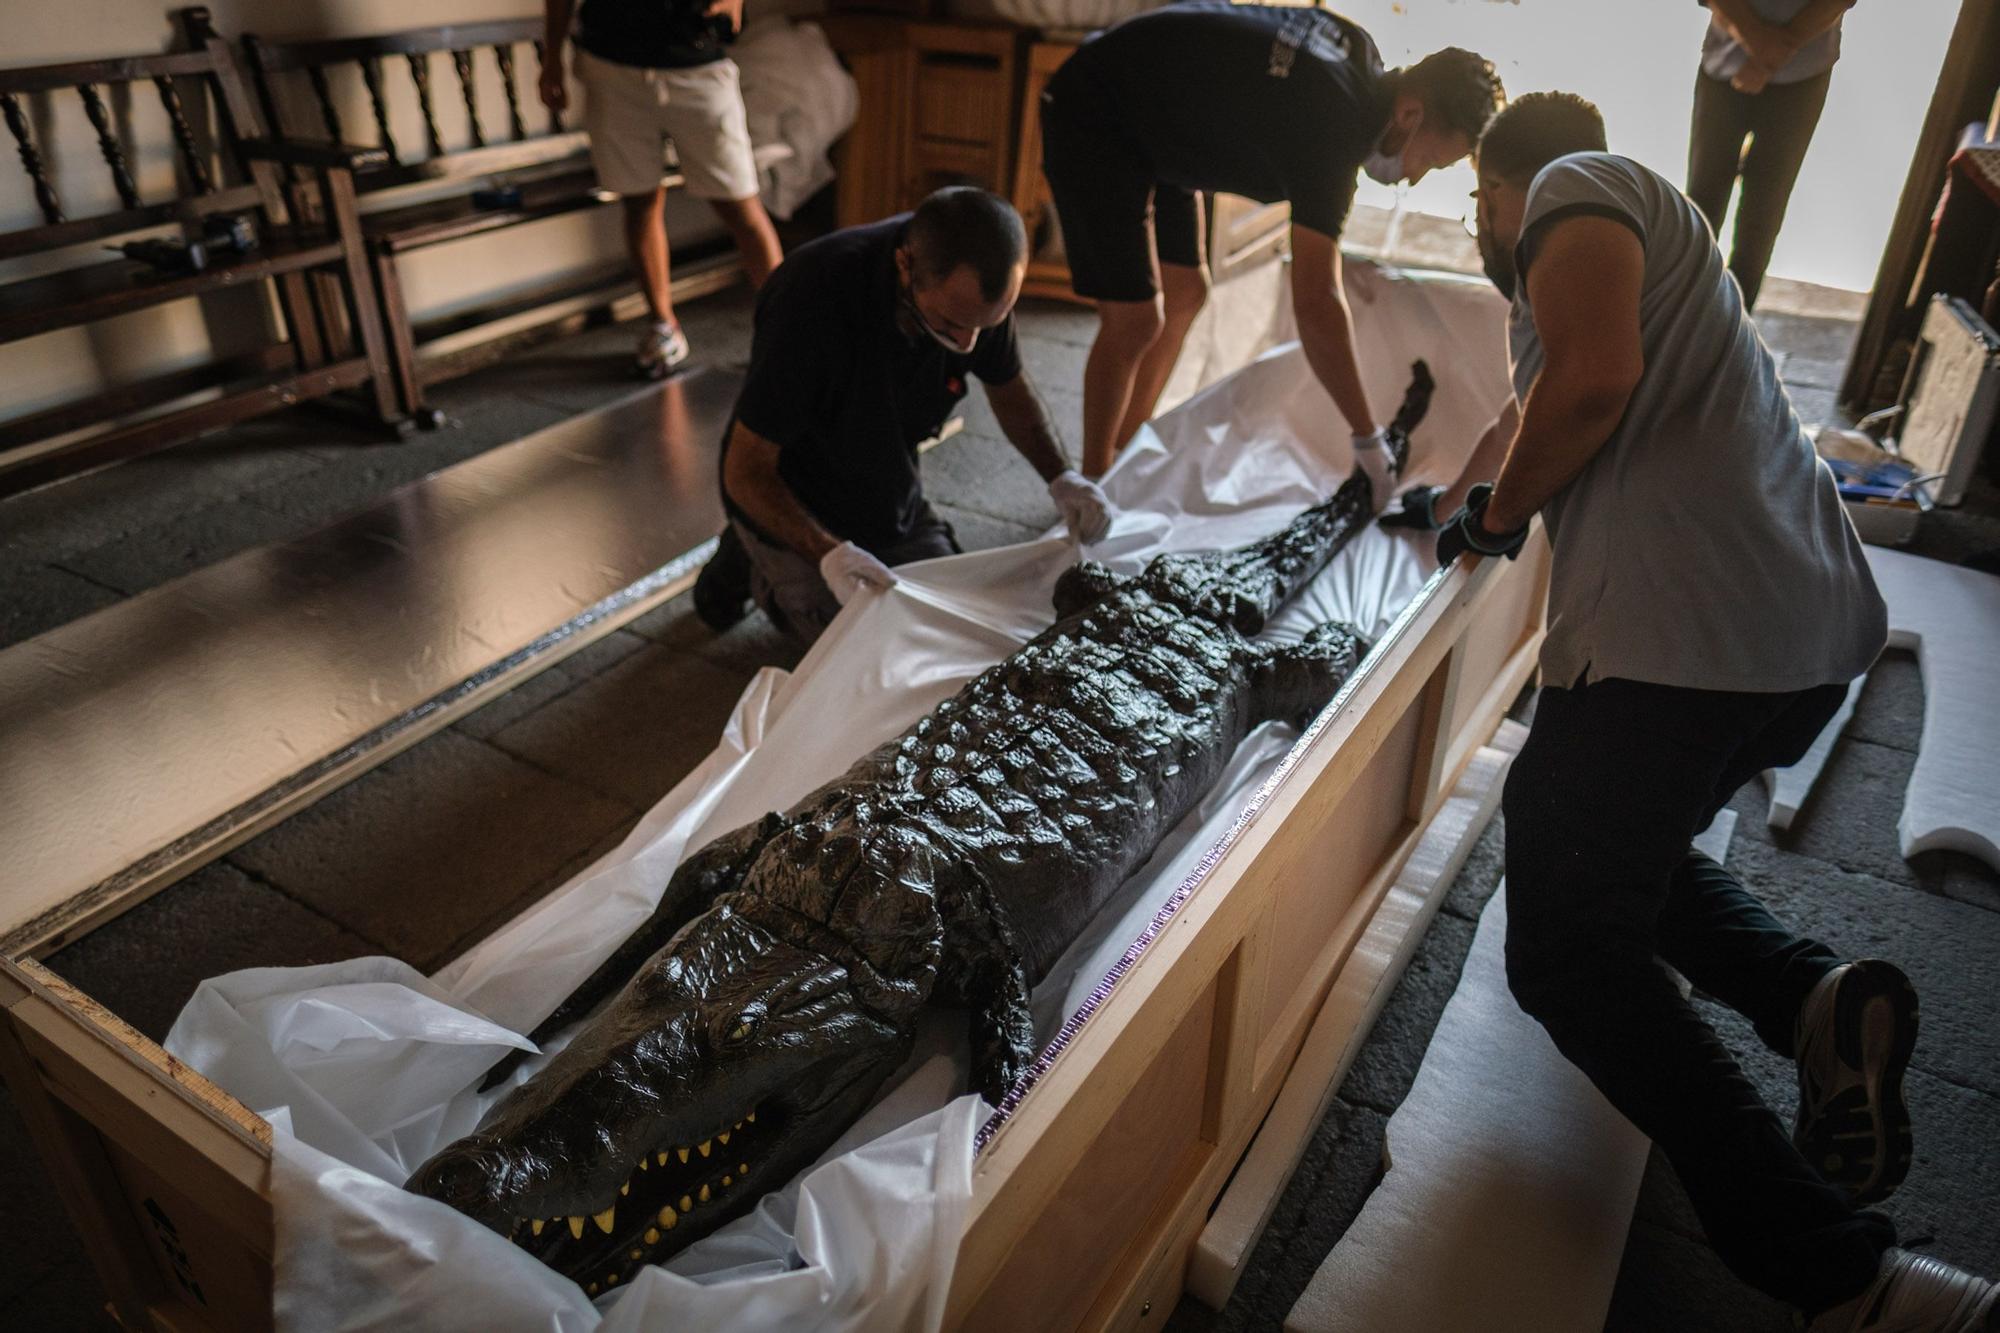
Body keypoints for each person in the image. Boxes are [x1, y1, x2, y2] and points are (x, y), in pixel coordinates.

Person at [1432, 90, 1996, 1332]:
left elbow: (1585, 393)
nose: (1479, 229)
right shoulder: (1651, 261)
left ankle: (1851, 1277)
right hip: (1794, 644)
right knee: (1604, 852)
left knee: (1567, 952)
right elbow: (1525, 412)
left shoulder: (1577, 181)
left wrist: (1492, 517)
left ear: (1498, 181)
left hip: (1678, 648)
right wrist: (1452, 498)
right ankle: (1813, 998)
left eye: (1476, 204)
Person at [1037, 2, 1503, 481]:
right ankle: (1090, 487)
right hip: (1096, 110)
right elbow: (1317, 303)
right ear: (1410, 114)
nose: (1416, 177)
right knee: (1135, 320)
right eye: (1429, 161)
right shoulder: (1333, 134)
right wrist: (1366, 435)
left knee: (1186, 291)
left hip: (1158, 118)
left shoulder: (1361, 57)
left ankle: (1124, 450)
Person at [689, 187, 1112, 644]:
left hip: (884, 472)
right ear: (905, 265)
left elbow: (1009, 388)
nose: (969, 344)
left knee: (955, 615)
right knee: (865, 639)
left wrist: (1062, 477)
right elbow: (746, 470)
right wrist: (828, 555)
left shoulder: (974, 297)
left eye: (984, 328)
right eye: (951, 325)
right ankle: (750, 550)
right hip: (793, 484)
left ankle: (798, 546)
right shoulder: (811, 299)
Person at [540, 0, 785, 378]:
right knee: (640, 201)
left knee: (740, 205)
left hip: (696, 63)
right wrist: (551, 59)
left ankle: (788, 331)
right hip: (611, 65)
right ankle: (663, 327)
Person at [1686, 0, 1856, 312]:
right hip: (1724, 68)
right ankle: (1680, 310)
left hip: (1802, 79)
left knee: (1763, 211)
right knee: (1702, 201)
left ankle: (1733, 325)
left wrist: (1767, 55)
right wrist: (1764, 50)